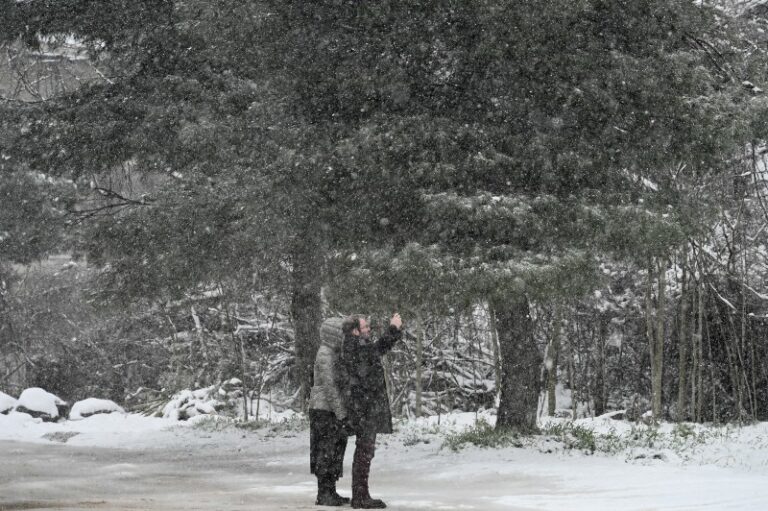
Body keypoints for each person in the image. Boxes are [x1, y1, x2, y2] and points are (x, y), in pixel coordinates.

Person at [339, 313, 403, 509]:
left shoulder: (355, 347)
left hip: (364, 407)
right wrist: (393, 329)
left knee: (365, 450)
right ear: (355, 331)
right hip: (363, 408)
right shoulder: (356, 347)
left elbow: (377, 348)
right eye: (365, 327)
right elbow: (379, 347)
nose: (368, 330)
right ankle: (360, 496)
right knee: (364, 451)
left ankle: (361, 493)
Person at [308, 317, 351, 506]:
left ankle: (330, 490)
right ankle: (324, 492)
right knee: (325, 450)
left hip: (328, 409)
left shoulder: (333, 352)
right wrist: (341, 411)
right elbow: (330, 386)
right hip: (324, 410)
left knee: (333, 450)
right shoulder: (325, 354)